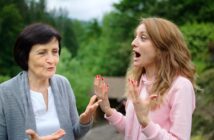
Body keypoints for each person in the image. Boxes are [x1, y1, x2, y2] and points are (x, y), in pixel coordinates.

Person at [94, 17, 197, 140]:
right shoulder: (138, 82)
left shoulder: (181, 86)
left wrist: (146, 122)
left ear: (162, 47)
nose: (133, 43)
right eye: (135, 37)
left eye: (143, 38)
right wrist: (107, 109)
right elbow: (131, 130)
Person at [0, 23, 100, 140]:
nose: (51, 60)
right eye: (42, 53)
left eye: (54, 51)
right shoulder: (5, 93)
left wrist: (84, 120)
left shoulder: (63, 84)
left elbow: (74, 134)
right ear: (25, 56)